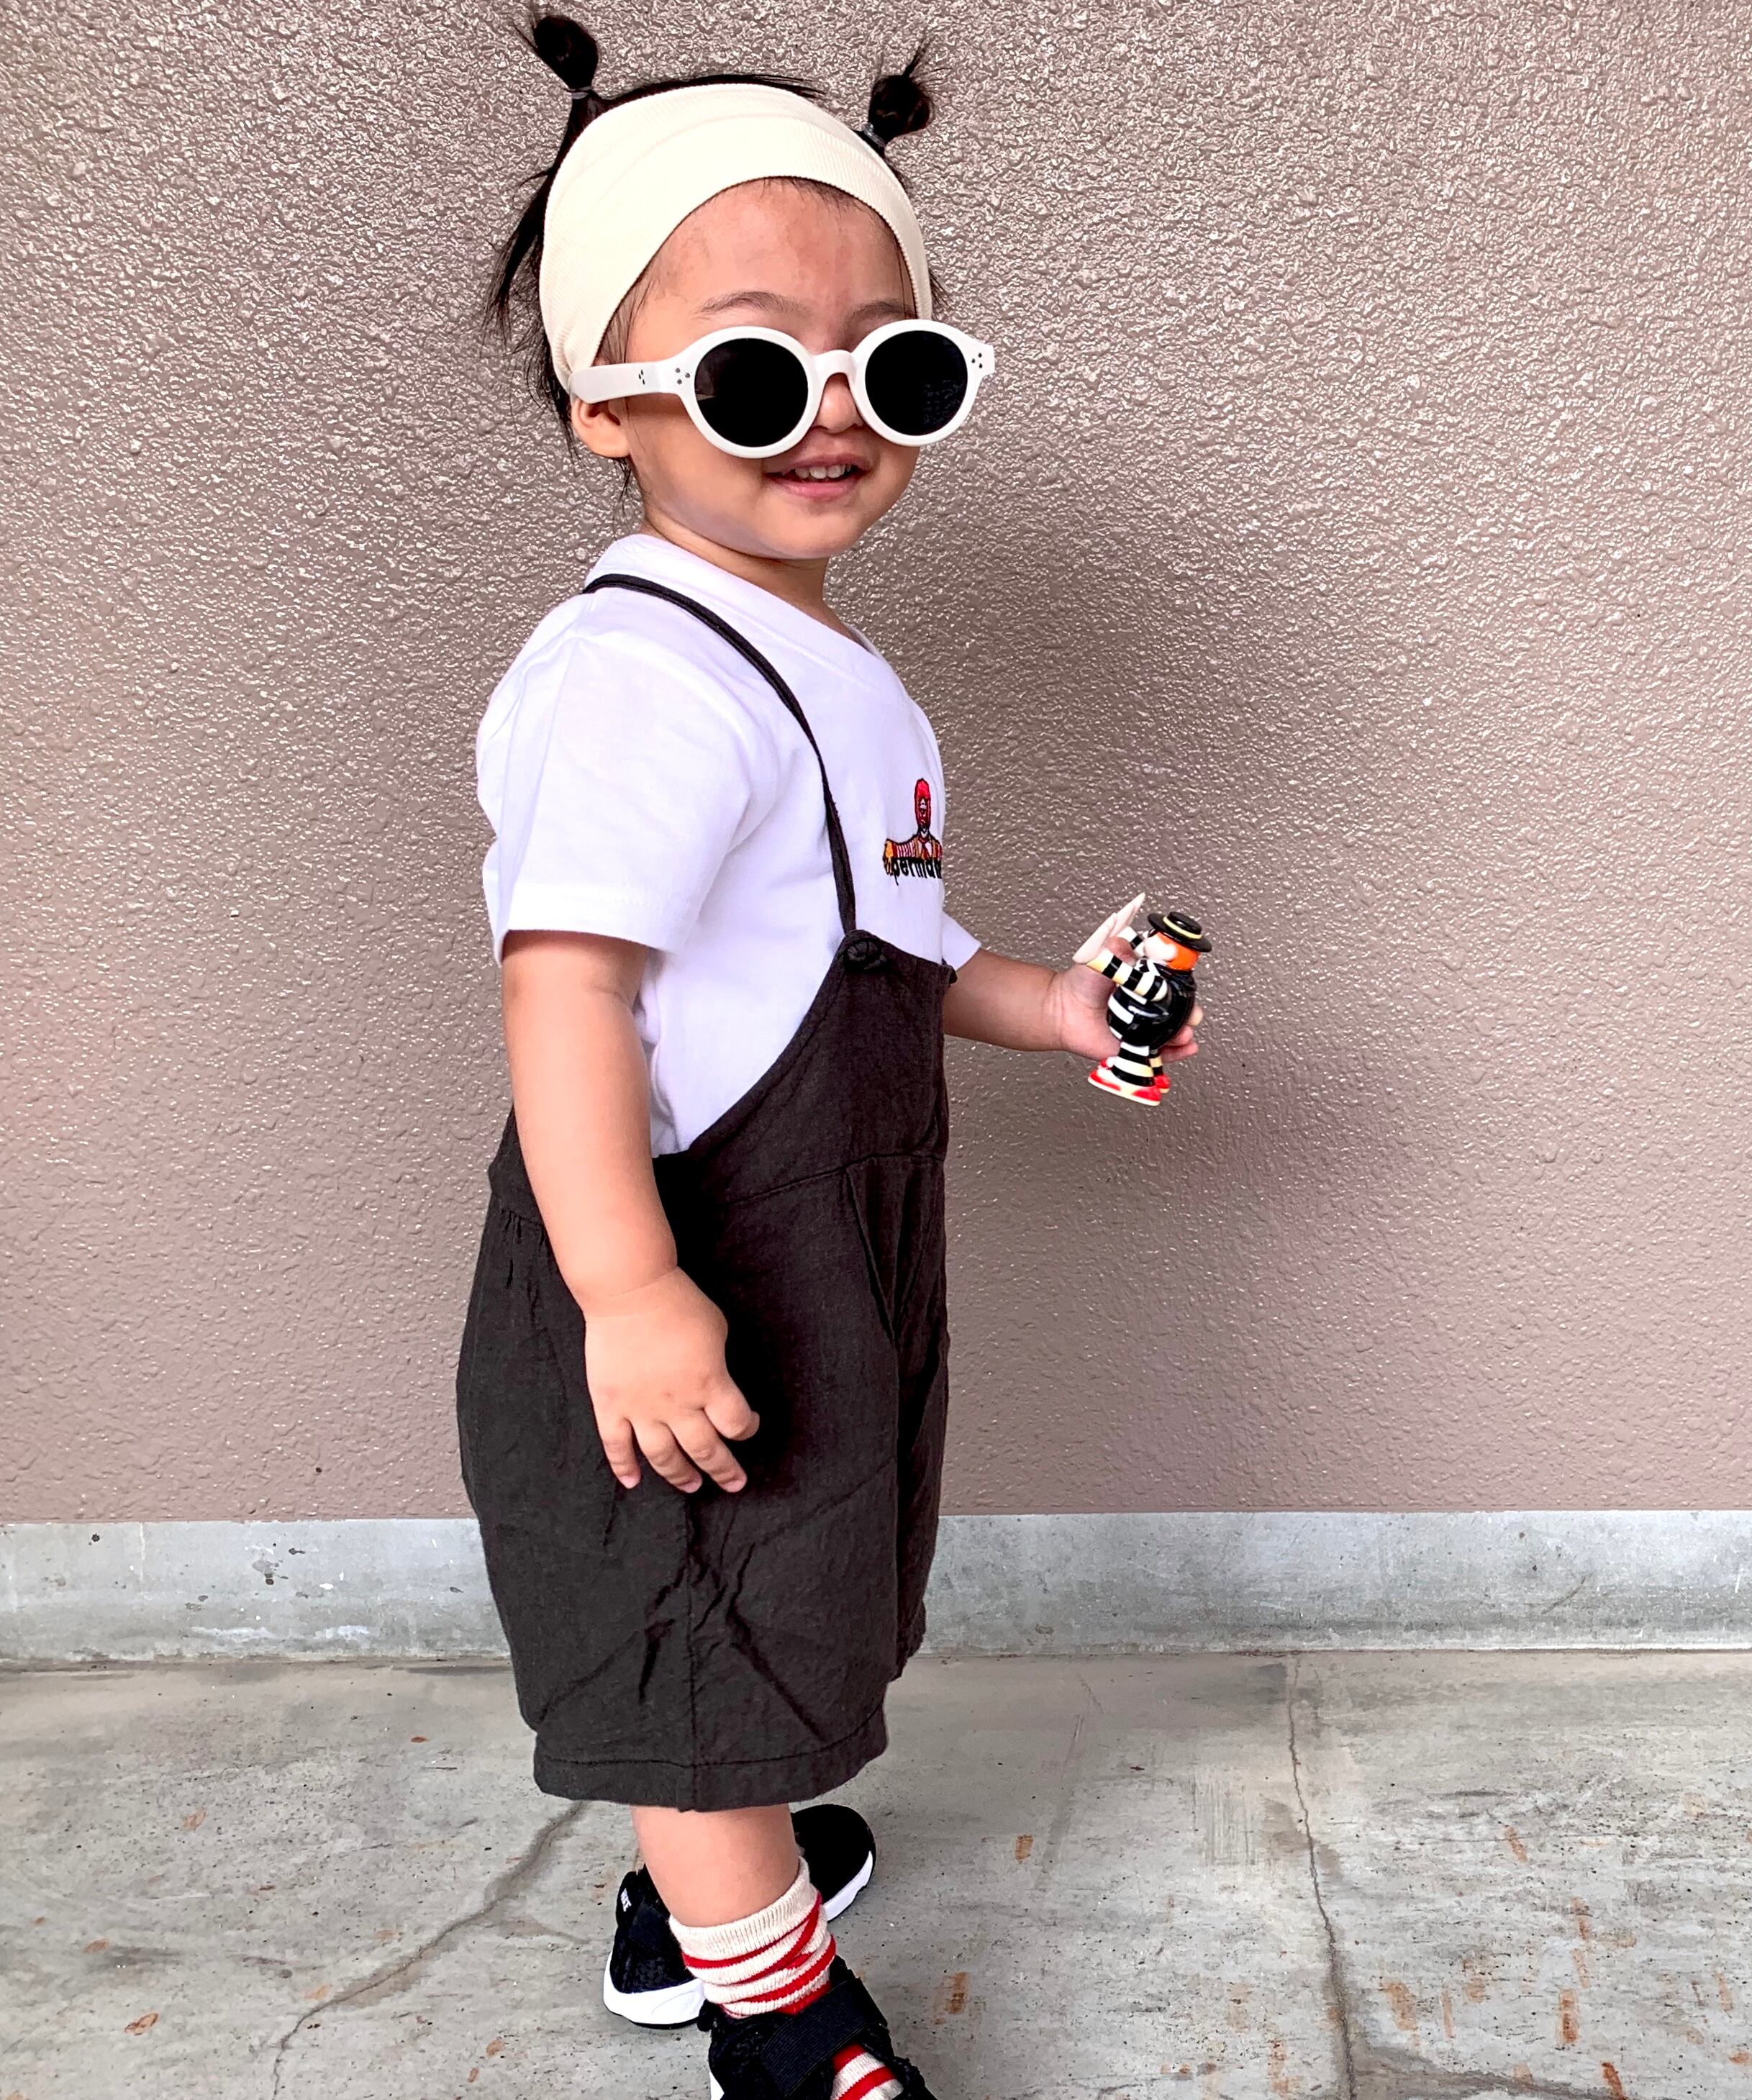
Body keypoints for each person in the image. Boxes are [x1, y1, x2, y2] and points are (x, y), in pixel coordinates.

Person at [455, 18, 1198, 2096]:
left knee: (775, 1595)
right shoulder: (639, 675)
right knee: (697, 1608)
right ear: (609, 403)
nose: (836, 413)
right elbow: (564, 991)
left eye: (896, 364)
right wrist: (628, 1290)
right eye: (757, 373)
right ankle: (775, 2018)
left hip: (817, 1238)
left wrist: (1056, 1004)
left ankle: (699, 1882)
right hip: (684, 1240)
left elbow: (885, 950)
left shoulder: (830, 664)